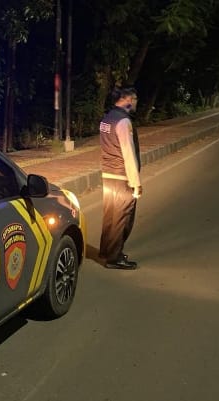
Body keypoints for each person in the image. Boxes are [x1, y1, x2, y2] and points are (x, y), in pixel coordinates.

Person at [98, 87, 142, 269]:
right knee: (122, 218)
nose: (136, 103)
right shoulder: (124, 122)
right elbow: (128, 153)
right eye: (135, 99)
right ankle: (114, 258)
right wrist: (135, 183)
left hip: (108, 174)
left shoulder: (106, 119)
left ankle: (105, 250)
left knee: (110, 215)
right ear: (126, 99)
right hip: (122, 176)